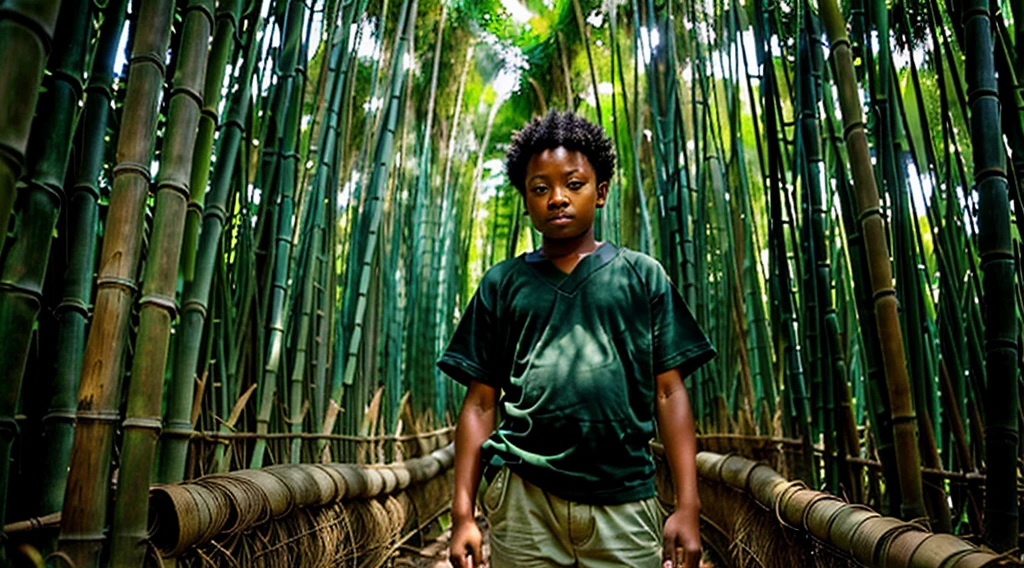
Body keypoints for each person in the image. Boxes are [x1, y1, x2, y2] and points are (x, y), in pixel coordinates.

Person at [437, 110, 716, 568]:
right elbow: (480, 404)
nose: (557, 198)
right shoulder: (502, 284)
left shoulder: (641, 276)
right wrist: (463, 512)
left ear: (601, 192)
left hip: (623, 495)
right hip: (524, 497)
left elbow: (670, 391)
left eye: (574, 184)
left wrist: (688, 505)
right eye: (540, 188)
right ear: (526, 201)